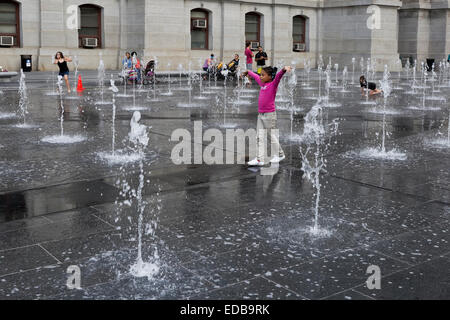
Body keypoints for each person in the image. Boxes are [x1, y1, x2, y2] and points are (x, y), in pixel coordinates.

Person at [242, 66, 292, 166]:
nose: (261, 77)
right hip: (260, 114)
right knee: (259, 137)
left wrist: (283, 70)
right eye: (261, 74)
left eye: (263, 75)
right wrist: (249, 72)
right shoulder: (262, 84)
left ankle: (280, 154)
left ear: (270, 76)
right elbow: (256, 76)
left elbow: (278, 77)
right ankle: (259, 159)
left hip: (269, 115)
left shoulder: (273, 85)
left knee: (271, 135)